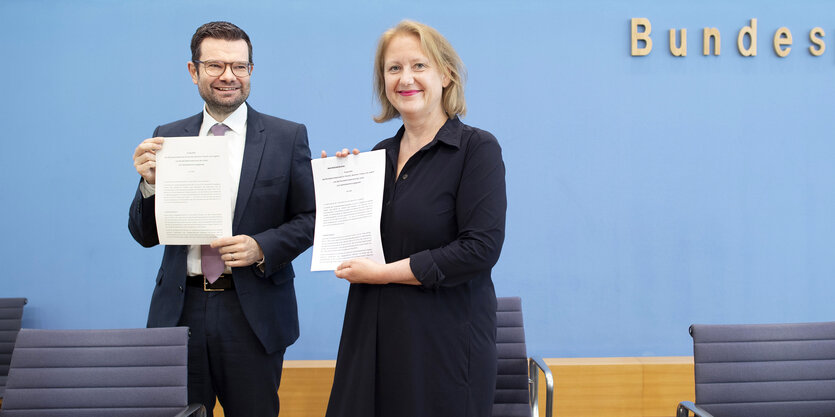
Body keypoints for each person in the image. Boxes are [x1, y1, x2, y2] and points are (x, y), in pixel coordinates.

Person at [128, 21, 314, 417]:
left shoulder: (287, 137)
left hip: (252, 313)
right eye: (215, 66)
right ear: (193, 71)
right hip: (181, 311)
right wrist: (148, 186)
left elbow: (310, 218)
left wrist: (263, 247)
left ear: (251, 71)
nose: (228, 76)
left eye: (239, 66)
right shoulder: (168, 137)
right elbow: (145, 235)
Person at [324, 20, 507, 417]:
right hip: (371, 336)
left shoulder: (477, 150)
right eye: (393, 69)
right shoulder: (376, 157)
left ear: (446, 75)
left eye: (419, 66)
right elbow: (362, 243)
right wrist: (337, 187)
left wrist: (383, 274)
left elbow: (480, 249)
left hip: (443, 345)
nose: (405, 78)